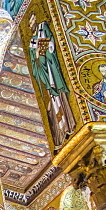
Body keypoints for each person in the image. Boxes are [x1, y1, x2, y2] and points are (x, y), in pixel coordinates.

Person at [27, 13, 75, 147]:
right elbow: (33, 59)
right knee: (50, 102)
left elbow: (50, 46)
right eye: (30, 23)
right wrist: (36, 57)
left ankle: (68, 125)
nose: (31, 24)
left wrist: (41, 54)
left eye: (32, 21)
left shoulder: (43, 28)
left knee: (58, 96)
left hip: (50, 70)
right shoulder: (31, 40)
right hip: (43, 75)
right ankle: (60, 133)